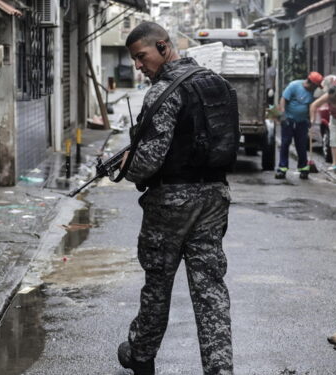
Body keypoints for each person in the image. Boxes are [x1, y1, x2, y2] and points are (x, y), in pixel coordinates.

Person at [117, 21, 237, 375]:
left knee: (158, 282)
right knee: (210, 288)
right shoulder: (218, 84)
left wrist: (128, 166)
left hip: (171, 201)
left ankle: (140, 354)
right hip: (215, 196)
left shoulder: (163, 92)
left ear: (164, 47)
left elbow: (148, 160)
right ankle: (220, 368)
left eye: (142, 56)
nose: (139, 65)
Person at [276, 71, 323, 180]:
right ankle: (282, 169)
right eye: (316, 86)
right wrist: (282, 114)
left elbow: (312, 106)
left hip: (302, 122)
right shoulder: (294, 85)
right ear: (311, 83)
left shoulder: (313, 93)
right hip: (289, 120)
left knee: (301, 145)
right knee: (285, 143)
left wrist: (311, 120)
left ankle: (303, 168)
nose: (316, 88)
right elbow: (283, 99)